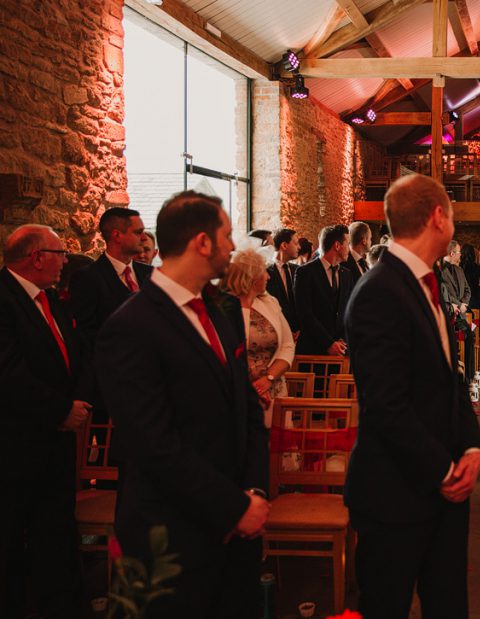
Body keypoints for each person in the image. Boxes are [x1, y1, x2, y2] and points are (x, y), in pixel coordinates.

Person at [96, 191, 269, 618]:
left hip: (237, 528)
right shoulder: (131, 326)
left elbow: (246, 407)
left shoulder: (220, 308)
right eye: (227, 235)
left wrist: (255, 490)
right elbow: (154, 444)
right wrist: (232, 506)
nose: (233, 246)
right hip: (170, 535)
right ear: (202, 242)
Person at [344, 174, 480, 619]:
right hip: (396, 493)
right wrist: (444, 469)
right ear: (438, 217)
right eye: (453, 215)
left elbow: (447, 379)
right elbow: (387, 405)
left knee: (447, 605)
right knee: (388, 606)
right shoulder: (380, 292)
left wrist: (473, 444)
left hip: (444, 485)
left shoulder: (425, 282)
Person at [1, 224, 91, 619]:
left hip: (57, 439)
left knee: (54, 528)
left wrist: (81, 398)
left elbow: (72, 352)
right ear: (37, 257)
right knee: (13, 530)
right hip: (16, 439)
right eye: (59, 253)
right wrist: (60, 410)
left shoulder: (51, 299)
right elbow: (8, 372)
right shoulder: (4, 300)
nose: (65, 261)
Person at [222, 249, 295, 426]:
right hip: (235, 393)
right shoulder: (223, 308)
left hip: (273, 388)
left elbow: (287, 345)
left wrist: (268, 379)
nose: (268, 277)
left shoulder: (269, 303)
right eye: (264, 271)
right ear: (252, 276)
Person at [70, 207, 153, 348]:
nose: (144, 238)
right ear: (117, 236)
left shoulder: (150, 274)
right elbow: (87, 336)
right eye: (138, 232)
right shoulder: (87, 278)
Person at [294, 224, 353, 356]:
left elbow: (348, 310)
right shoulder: (305, 272)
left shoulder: (346, 274)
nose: (349, 248)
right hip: (313, 349)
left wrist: (342, 341)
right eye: (348, 244)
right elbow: (305, 313)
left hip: (340, 349)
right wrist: (328, 343)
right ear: (337, 246)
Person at [441, 240, 475, 376]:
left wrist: (464, 304)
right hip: (448, 314)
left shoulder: (460, 270)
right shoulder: (440, 270)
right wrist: (458, 304)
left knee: (470, 333)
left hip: (460, 313)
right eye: (459, 252)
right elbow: (445, 294)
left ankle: (469, 375)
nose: (461, 255)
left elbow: (468, 290)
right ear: (451, 253)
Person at [266, 228, 299, 331]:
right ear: (284, 245)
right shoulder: (266, 271)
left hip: (299, 332)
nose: (299, 247)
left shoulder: (297, 270)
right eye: (296, 243)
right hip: (277, 329)